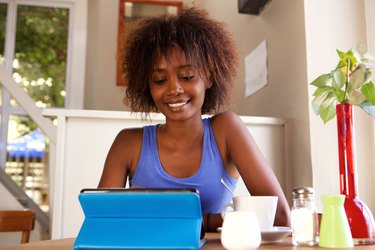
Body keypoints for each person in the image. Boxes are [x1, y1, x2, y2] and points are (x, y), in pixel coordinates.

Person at [98, 6, 290, 232]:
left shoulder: (226, 130)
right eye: (159, 80)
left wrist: (168, 216)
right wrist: (213, 220)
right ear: (147, 87)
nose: (174, 89)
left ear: (209, 77)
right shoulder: (128, 143)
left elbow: (278, 216)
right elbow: (102, 223)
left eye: (187, 76)